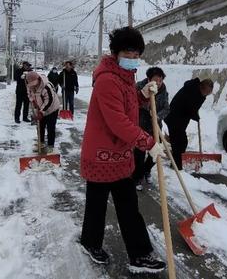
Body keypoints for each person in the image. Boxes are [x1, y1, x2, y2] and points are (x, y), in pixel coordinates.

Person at [79, 26, 166, 273]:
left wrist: (141, 93)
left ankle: (139, 254)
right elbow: (118, 121)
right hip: (101, 155)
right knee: (96, 206)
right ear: (116, 53)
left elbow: (128, 103)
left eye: (137, 54)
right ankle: (90, 243)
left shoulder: (125, 77)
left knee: (129, 206)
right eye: (129, 53)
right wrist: (148, 142)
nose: (133, 58)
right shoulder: (107, 80)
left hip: (120, 156)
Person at [164, 78, 214, 170]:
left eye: (209, 93)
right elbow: (188, 107)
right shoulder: (191, 90)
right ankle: (177, 166)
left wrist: (195, 113)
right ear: (201, 87)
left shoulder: (199, 93)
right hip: (174, 117)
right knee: (180, 143)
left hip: (181, 120)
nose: (206, 95)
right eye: (206, 92)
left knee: (179, 142)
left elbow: (193, 107)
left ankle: (175, 162)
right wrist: (195, 116)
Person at [133, 67, 169, 191]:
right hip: (141, 124)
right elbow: (133, 104)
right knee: (139, 153)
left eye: (160, 80)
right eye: (155, 80)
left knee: (156, 152)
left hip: (155, 126)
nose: (158, 83)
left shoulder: (163, 90)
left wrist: (158, 116)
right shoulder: (139, 87)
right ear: (149, 79)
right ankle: (137, 177)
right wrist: (147, 108)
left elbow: (166, 108)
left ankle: (146, 170)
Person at [25, 71, 61, 152]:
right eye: (31, 84)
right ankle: (41, 143)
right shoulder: (30, 86)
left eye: (34, 84)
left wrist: (42, 112)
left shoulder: (46, 86)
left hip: (52, 109)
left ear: (38, 79)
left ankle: (50, 145)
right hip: (40, 107)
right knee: (40, 126)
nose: (33, 86)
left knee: (50, 127)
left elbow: (49, 100)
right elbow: (29, 94)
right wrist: (33, 101)